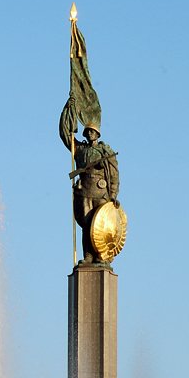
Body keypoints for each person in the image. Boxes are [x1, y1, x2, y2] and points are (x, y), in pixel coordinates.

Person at [60, 96, 120, 265]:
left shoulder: (106, 152)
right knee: (87, 226)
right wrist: (67, 110)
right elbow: (65, 134)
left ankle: (102, 256)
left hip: (101, 191)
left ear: (98, 133)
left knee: (102, 225)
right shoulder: (80, 150)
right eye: (88, 132)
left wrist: (113, 195)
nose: (90, 134)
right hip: (85, 190)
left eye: (93, 132)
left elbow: (114, 176)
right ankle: (88, 256)